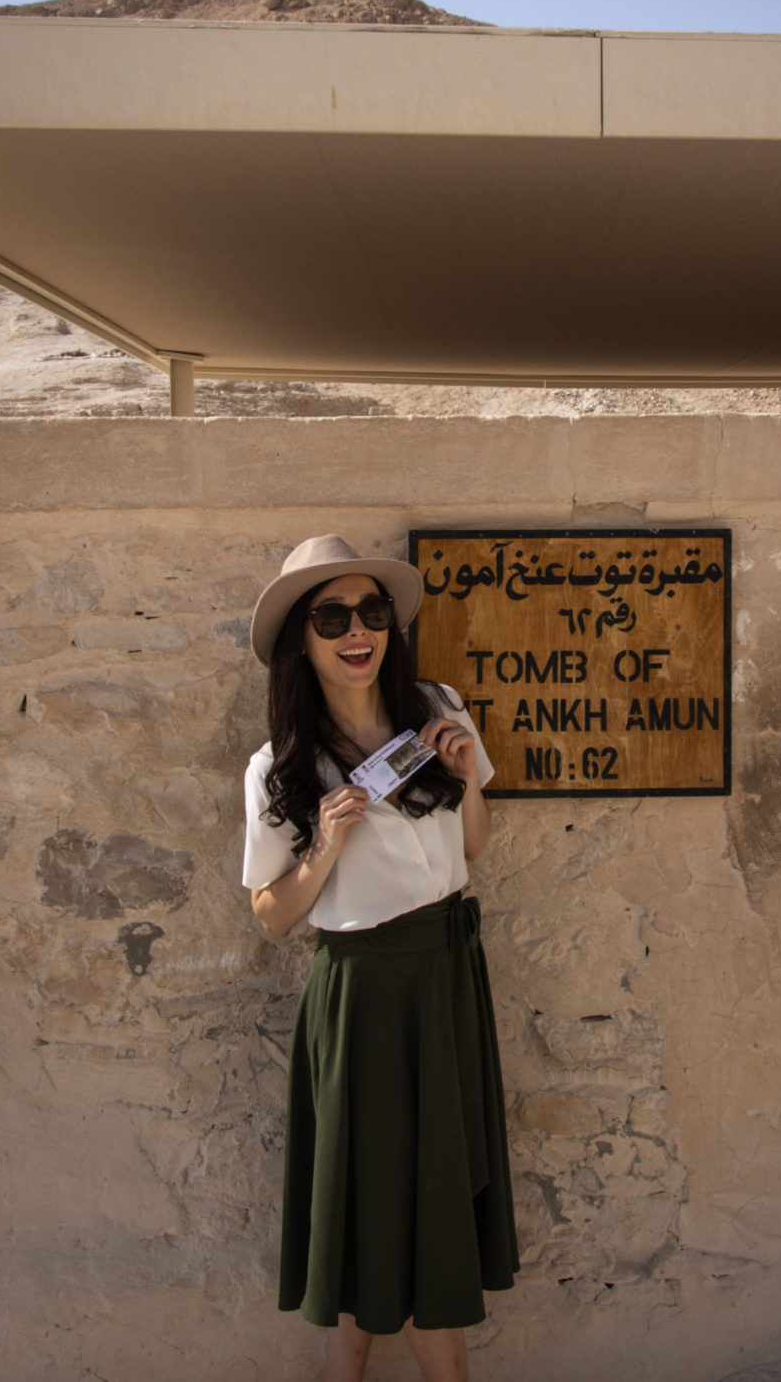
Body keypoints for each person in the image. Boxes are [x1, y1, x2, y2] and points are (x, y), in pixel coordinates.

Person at [243, 535, 518, 1382]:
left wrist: (467, 775)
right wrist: (323, 847)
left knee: (437, 1212)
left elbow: (473, 848)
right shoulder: (281, 766)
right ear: (302, 639)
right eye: (332, 617)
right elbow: (270, 917)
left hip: (444, 979)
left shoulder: (436, 707)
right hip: (361, 997)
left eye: (373, 613)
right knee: (364, 1229)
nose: (357, 632)